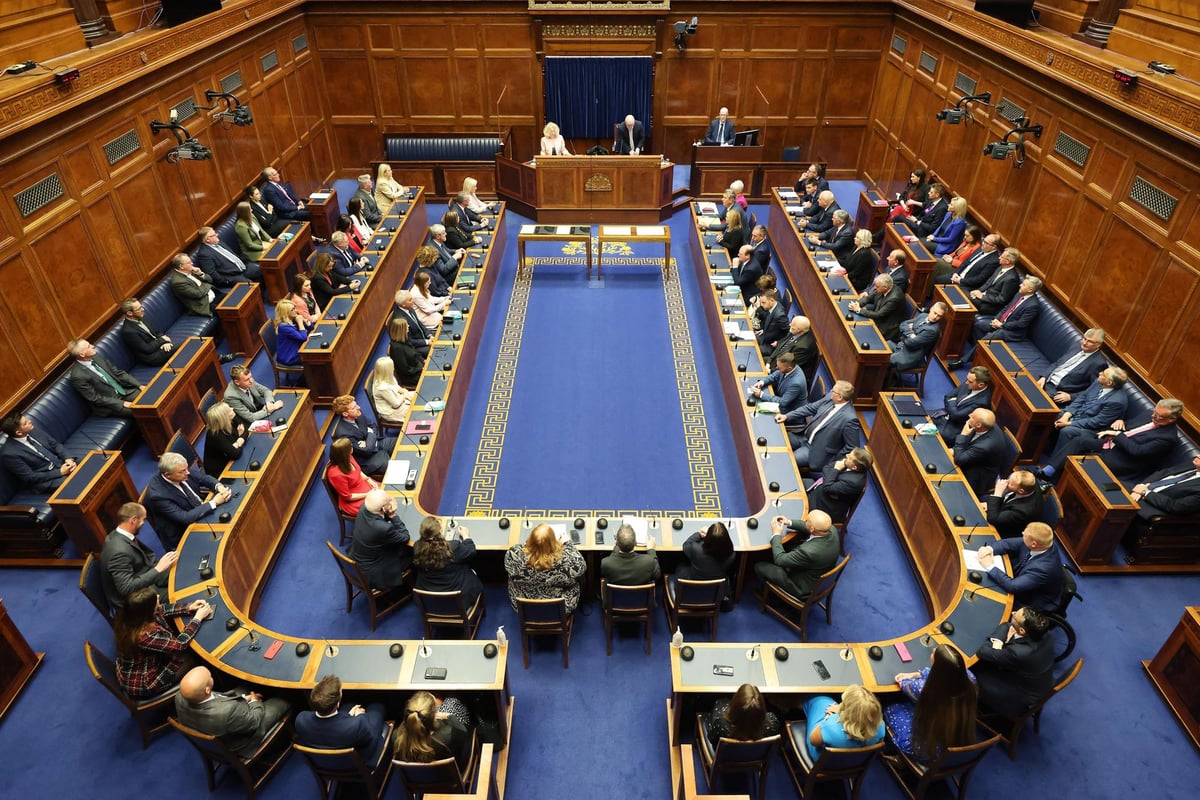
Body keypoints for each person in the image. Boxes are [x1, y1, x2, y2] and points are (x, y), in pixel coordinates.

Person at [1037, 399, 1185, 485]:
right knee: (1079, 441)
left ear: (1172, 419)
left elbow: (1137, 451)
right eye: (1154, 412)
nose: (1153, 416)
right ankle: (1048, 472)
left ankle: (1056, 484)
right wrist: (1121, 421)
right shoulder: (1149, 414)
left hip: (1124, 460)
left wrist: (1117, 435)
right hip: (1111, 444)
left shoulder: (1167, 438)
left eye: (1159, 416)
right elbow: (1130, 426)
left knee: (1084, 459)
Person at [882, 644, 977, 762]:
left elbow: (903, 682)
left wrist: (909, 676)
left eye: (933, 653)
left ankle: (895, 753)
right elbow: (946, 672)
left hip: (926, 747)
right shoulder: (970, 679)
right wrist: (918, 674)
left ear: (936, 667)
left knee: (889, 705)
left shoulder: (924, 689)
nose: (932, 651)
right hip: (954, 735)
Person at [114, 586, 212, 699]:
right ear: (149, 612)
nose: (158, 596)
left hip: (140, 666)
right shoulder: (144, 636)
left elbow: (160, 610)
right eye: (155, 599)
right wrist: (198, 618)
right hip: (145, 682)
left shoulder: (132, 617)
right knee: (196, 657)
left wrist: (189, 607)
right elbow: (180, 645)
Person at [175, 665, 291, 758]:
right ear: (207, 690)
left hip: (221, 723)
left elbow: (219, 699)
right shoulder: (228, 711)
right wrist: (254, 701)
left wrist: (244, 698)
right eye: (209, 677)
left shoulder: (180, 696)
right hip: (244, 738)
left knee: (250, 682)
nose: (211, 677)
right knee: (287, 697)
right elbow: (254, 721)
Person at [973, 607, 1056, 717]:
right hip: (1038, 685)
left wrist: (997, 644)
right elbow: (1007, 625)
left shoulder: (1020, 653)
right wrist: (999, 643)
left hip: (1019, 696)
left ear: (1022, 631)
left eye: (1015, 616)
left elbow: (983, 651)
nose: (1012, 613)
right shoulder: (1043, 633)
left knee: (970, 672)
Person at [142, 452, 232, 550]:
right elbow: (184, 517)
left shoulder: (179, 470)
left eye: (186, 468)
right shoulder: (157, 496)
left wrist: (219, 487)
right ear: (168, 475)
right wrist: (214, 502)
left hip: (201, 510)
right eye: (182, 471)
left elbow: (204, 478)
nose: (187, 473)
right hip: (184, 531)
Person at [1043, 367, 1129, 466]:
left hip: (1092, 429)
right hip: (1077, 415)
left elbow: (1097, 421)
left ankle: (1052, 465)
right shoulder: (1098, 382)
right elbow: (1081, 398)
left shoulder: (1117, 401)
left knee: (1067, 431)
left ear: (1109, 383)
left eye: (1103, 374)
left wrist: (1069, 423)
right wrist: (1067, 415)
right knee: (1052, 414)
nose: (1100, 373)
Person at [295, 674, 391, 762]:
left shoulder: (300, 720)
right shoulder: (357, 725)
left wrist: (348, 716)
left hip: (325, 761)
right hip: (358, 761)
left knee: (348, 705)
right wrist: (360, 715)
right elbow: (369, 735)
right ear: (337, 703)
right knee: (377, 707)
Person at [100, 502, 176, 610]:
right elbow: (126, 588)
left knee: (179, 570)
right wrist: (158, 569)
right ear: (134, 520)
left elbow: (145, 556)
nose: (144, 523)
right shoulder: (118, 552)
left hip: (143, 573)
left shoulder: (121, 533)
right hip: (136, 598)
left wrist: (164, 564)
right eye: (143, 519)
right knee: (180, 591)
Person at [976, 522, 1065, 612]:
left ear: (1034, 544)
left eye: (1024, 535)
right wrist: (989, 549)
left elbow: (1012, 586)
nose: (1022, 533)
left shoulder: (1043, 569)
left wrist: (990, 566)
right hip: (1020, 579)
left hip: (1028, 603)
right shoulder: (1043, 544)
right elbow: (1008, 544)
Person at [958, 275, 1043, 366]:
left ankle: (962, 361)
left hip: (1012, 331)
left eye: (1023, 285)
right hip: (1000, 323)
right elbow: (1007, 308)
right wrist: (996, 319)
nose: (1020, 285)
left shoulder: (1033, 305)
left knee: (988, 338)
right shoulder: (1019, 294)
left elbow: (1021, 324)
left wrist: (1001, 325)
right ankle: (979, 353)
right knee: (978, 325)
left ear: (1030, 290)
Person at [754, 510, 840, 599]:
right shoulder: (831, 529)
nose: (805, 522)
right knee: (790, 545)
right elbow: (809, 527)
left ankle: (770, 597)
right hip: (816, 573)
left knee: (759, 566)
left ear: (812, 529)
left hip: (801, 587)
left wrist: (776, 534)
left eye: (807, 521)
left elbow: (780, 560)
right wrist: (789, 522)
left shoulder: (808, 552)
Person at [780, 380, 861, 472]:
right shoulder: (830, 398)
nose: (830, 392)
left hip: (815, 451)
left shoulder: (850, 419)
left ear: (840, 397)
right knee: (779, 438)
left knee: (788, 461)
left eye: (833, 391)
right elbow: (810, 408)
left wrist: (833, 462)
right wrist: (787, 416)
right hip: (804, 437)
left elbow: (852, 448)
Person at [504, 523, 586, 613]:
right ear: (553, 543)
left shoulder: (513, 555)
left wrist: (536, 544)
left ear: (531, 540)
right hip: (558, 609)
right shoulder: (570, 563)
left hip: (524, 608)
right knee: (577, 581)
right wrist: (568, 543)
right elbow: (581, 566)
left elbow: (522, 548)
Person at [393, 690, 474, 772]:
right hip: (446, 777)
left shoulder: (396, 738)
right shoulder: (450, 735)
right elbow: (465, 734)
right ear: (434, 715)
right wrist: (449, 716)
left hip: (413, 777)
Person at [800, 685, 885, 761]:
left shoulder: (830, 726)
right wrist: (840, 711)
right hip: (854, 762)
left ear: (849, 713)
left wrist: (828, 718)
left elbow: (813, 742)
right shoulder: (881, 726)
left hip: (824, 763)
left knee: (818, 699)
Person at [349, 489, 412, 590]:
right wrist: (393, 515)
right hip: (374, 570)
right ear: (382, 509)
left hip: (359, 559)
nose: (391, 500)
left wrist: (386, 510)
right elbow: (405, 537)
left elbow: (379, 518)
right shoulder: (384, 528)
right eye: (388, 501)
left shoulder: (363, 508)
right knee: (412, 554)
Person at [413, 516, 483, 607]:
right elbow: (471, 551)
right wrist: (466, 536)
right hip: (457, 600)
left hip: (429, 600)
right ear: (440, 532)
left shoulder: (417, 547)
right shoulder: (452, 547)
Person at [67, 337, 143, 418]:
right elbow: (95, 398)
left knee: (147, 398)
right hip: (109, 405)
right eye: (89, 346)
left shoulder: (97, 357)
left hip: (123, 391)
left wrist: (140, 385)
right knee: (142, 411)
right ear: (82, 354)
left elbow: (118, 373)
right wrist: (121, 403)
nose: (93, 346)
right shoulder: (77, 376)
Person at [0, 413, 76, 493]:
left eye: (27, 419)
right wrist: (60, 472)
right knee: (75, 481)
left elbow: (55, 445)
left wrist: (68, 459)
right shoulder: (9, 453)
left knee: (84, 466)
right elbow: (30, 477)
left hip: (62, 463)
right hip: (46, 479)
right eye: (25, 423)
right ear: (19, 432)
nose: (30, 421)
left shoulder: (32, 429)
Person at [331, 395, 396, 478]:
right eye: (354, 407)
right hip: (367, 459)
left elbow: (373, 426)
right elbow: (366, 451)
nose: (358, 407)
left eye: (356, 405)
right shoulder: (343, 434)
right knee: (392, 467)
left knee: (399, 443)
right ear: (345, 413)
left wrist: (367, 441)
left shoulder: (358, 414)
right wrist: (370, 433)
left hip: (376, 443)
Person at [1038, 329, 1108, 404]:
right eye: (1084, 338)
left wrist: (1071, 397)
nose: (1084, 343)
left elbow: (1094, 389)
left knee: (1036, 400)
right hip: (1046, 381)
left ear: (1098, 345)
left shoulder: (1099, 363)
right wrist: (1044, 377)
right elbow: (1058, 363)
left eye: (1090, 341)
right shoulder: (1076, 346)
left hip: (1058, 391)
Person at [952, 408, 1008, 498]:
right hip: (977, 457)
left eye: (972, 416)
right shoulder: (987, 425)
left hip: (979, 474)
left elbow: (959, 460)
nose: (969, 415)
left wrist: (962, 435)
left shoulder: (984, 446)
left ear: (978, 425)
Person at [806, 447, 872, 524]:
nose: (847, 455)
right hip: (823, 491)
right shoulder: (848, 462)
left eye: (850, 457)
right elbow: (826, 468)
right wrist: (831, 478)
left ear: (854, 467)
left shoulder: (854, 482)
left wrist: (836, 469)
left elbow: (827, 488)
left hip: (827, 506)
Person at [706, 684, 781, 747]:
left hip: (727, 757)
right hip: (756, 757)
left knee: (719, 703)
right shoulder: (772, 723)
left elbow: (712, 739)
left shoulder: (721, 725)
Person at [1130, 454, 1200, 520]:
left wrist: (1145, 492)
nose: (1197, 455)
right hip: (1142, 490)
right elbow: (1164, 472)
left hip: (1155, 506)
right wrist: (1141, 486)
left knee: (1125, 509)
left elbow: (1176, 506)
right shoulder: (1194, 463)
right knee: (1123, 488)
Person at [676, 521, 736, 597]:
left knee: (680, 566)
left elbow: (686, 545)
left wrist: (699, 534)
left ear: (708, 538)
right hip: (715, 591)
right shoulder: (731, 554)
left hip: (693, 587)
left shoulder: (696, 549)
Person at [936, 366, 992, 444]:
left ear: (981, 385)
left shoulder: (982, 402)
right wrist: (953, 408)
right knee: (923, 415)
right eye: (967, 379)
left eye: (970, 381)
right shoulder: (970, 381)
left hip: (955, 426)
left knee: (935, 436)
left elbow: (956, 416)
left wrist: (952, 402)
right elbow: (947, 396)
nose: (966, 383)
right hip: (946, 414)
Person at [982, 470, 1045, 539]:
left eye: (1011, 484)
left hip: (1005, 529)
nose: (1006, 482)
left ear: (1021, 491)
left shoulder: (1023, 511)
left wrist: (997, 493)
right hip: (1005, 505)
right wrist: (991, 504)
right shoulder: (1029, 479)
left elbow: (993, 519)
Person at [194, 225, 262, 287]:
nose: (217, 235)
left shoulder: (219, 243)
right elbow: (212, 273)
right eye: (214, 235)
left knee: (261, 269)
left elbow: (233, 255)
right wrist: (226, 281)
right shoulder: (204, 254)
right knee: (249, 285)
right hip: (232, 276)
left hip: (242, 268)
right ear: (207, 239)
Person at [326, 437, 378, 516]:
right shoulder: (335, 475)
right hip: (354, 500)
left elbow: (358, 471)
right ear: (345, 453)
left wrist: (368, 480)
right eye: (350, 446)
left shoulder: (348, 457)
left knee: (384, 494)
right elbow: (348, 497)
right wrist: (367, 494)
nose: (352, 447)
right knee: (379, 505)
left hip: (362, 485)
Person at [889, 302, 946, 372]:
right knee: (884, 347)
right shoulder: (923, 315)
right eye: (935, 313)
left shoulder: (932, 331)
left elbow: (911, 343)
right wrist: (911, 334)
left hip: (910, 355)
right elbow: (903, 324)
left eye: (939, 316)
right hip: (901, 345)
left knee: (886, 359)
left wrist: (907, 331)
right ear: (931, 309)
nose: (935, 317)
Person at [848, 273, 905, 341]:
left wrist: (859, 310)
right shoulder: (882, 288)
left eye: (877, 286)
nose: (875, 288)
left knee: (860, 336)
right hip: (877, 315)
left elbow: (879, 314)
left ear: (885, 287)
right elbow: (869, 297)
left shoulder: (894, 298)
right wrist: (857, 304)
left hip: (886, 326)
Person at [118, 297, 173, 367]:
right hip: (152, 356)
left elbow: (156, 332)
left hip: (160, 347)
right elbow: (147, 349)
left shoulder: (141, 317)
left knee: (182, 348)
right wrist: (162, 340)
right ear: (129, 313)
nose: (143, 309)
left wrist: (165, 342)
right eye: (139, 309)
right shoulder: (128, 331)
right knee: (183, 347)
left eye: (141, 307)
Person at [750, 352, 808, 416]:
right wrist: (762, 382)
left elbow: (783, 402)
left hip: (789, 412)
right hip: (781, 399)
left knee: (757, 412)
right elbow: (775, 375)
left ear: (789, 368)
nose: (777, 368)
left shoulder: (796, 383)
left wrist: (761, 395)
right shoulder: (789, 367)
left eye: (779, 367)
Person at [203, 402, 248, 477]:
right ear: (224, 417)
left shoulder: (232, 417)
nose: (232, 408)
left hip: (230, 457)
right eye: (229, 410)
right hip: (221, 469)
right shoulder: (215, 434)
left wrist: (239, 440)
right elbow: (236, 454)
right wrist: (239, 441)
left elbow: (245, 429)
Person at [370, 356, 413, 424]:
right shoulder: (382, 388)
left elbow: (396, 386)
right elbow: (396, 404)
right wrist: (404, 395)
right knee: (417, 411)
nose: (393, 368)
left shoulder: (387, 376)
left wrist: (403, 391)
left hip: (398, 397)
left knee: (417, 395)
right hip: (392, 412)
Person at [394, 290, 434, 358]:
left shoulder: (409, 308)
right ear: (403, 304)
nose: (413, 301)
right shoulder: (401, 320)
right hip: (414, 347)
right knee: (434, 350)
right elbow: (409, 341)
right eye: (410, 300)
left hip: (423, 338)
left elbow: (419, 323)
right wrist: (426, 342)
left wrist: (429, 335)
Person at [387, 317, 424, 387]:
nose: (408, 326)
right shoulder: (397, 349)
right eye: (406, 325)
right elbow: (405, 370)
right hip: (411, 377)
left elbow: (415, 352)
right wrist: (421, 369)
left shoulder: (405, 339)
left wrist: (423, 360)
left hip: (418, 366)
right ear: (402, 330)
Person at [839, 229, 879, 294]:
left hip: (857, 281)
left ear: (863, 240)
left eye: (857, 238)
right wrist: (837, 261)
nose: (854, 238)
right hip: (850, 273)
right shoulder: (857, 246)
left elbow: (857, 272)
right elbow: (848, 260)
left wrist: (844, 276)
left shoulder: (864, 254)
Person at [273, 298, 309, 366]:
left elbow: (311, 327)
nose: (296, 310)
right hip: (290, 357)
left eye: (295, 308)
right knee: (314, 357)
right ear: (286, 313)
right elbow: (303, 338)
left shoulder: (293, 318)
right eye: (293, 309)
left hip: (297, 348)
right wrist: (300, 323)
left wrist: (305, 321)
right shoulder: (283, 327)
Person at [754, 290, 788, 358]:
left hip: (770, 345)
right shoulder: (771, 306)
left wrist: (778, 343)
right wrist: (764, 329)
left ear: (772, 300)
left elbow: (788, 333)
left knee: (753, 350)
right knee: (750, 338)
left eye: (763, 302)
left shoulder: (780, 315)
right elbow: (769, 321)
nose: (761, 305)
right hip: (765, 335)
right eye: (761, 302)